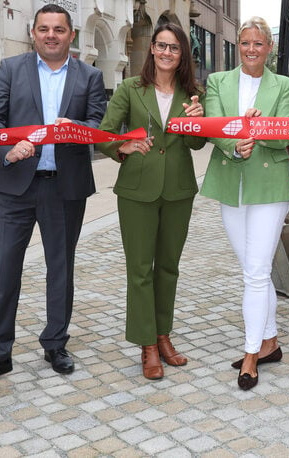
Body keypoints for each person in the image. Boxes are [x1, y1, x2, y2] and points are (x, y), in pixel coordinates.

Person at [0, 3, 107, 389]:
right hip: (15, 188)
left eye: (59, 29)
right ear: (34, 33)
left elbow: (99, 125)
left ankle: (55, 344)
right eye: (44, 29)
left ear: (71, 35)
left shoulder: (90, 76)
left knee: (60, 269)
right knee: (5, 270)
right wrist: (7, 152)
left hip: (65, 188)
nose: (51, 35)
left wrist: (76, 128)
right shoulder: (11, 69)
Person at [96, 22, 205, 380]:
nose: (166, 53)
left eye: (174, 48)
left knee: (169, 267)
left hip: (177, 190)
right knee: (140, 269)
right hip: (137, 191)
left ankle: (163, 336)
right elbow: (105, 134)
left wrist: (196, 124)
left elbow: (195, 145)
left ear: (182, 54)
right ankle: (147, 345)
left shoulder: (192, 94)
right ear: (152, 49)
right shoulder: (130, 88)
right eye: (161, 46)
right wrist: (122, 147)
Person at [200, 17, 289, 391]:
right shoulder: (218, 82)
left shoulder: (284, 85)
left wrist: (260, 127)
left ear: (269, 47)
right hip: (230, 185)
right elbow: (212, 125)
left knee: (255, 272)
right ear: (237, 46)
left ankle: (252, 353)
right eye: (245, 43)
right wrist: (233, 142)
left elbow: (285, 130)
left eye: (258, 44)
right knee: (253, 270)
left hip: (269, 187)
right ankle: (270, 341)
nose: (251, 49)